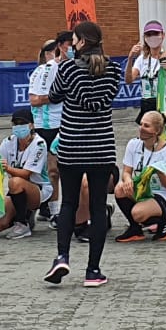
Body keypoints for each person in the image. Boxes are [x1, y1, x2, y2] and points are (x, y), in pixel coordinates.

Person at [43, 20, 121, 288]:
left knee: (69, 203)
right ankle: (93, 270)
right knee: (98, 208)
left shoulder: (67, 69)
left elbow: (53, 97)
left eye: (75, 39)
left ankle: (62, 255)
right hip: (101, 146)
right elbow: (105, 101)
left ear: (82, 42)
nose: (72, 43)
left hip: (72, 145)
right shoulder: (114, 69)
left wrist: (62, 65)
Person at [115, 109, 166, 243]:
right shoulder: (133, 144)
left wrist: (159, 172)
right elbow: (126, 172)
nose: (141, 128)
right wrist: (127, 180)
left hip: (164, 194)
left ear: (156, 131)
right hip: (144, 190)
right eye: (141, 124)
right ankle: (135, 229)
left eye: (146, 126)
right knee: (120, 189)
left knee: (137, 213)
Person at [0, 108, 53, 240]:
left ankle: (22, 223)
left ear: (31, 125)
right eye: (16, 123)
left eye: (22, 123)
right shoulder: (7, 142)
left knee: (15, 181)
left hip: (39, 189)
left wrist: (7, 168)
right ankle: (25, 214)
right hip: (16, 190)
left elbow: (26, 174)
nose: (19, 127)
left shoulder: (39, 144)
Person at [125, 20, 166, 137]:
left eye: (156, 34)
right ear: (144, 38)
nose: (152, 37)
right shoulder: (142, 59)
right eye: (149, 35)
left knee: (163, 142)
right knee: (146, 139)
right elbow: (129, 80)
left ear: (163, 35)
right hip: (147, 103)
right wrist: (130, 58)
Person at [28, 36, 65, 227]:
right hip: (42, 125)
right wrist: (53, 97)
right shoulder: (38, 73)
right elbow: (34, 100)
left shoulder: (64, 71)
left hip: (60, 124)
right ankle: (44, 207)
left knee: (55, 169)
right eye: (52, 51)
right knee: (41, 169)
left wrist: (50, 97)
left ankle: (56, 211)